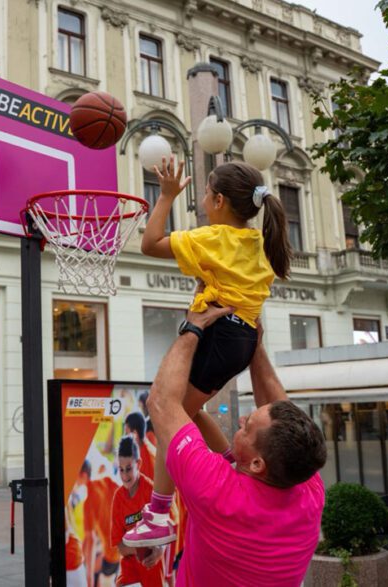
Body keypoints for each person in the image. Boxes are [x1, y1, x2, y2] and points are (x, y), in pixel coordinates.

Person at [127, 156, 292, 547]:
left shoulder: (212, 238)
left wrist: (166, 196)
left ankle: (158, 513)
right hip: (243, 337)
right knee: (192, 410)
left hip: (220, 334)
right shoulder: (257, 240)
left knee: (168, 415)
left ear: (219, 201)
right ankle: (229, 465)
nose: (201, 200)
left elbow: (149, 244)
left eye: (204, 194)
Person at [143, 306, 325, 586]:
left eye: (246, 427)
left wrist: (193, 327)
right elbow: (274, 402)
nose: (240, 420)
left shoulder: (217, 491)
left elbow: (161, 402)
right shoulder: (306, 485)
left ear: (256, 464)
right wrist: (256, 346)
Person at [110, 436, 164, 587]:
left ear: (138, 464)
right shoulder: (118, 498)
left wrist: (159, 550)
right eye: (121, 470)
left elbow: (166, 530)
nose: (125, 476)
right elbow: (120, 545)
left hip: (151, 567)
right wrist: (139, 548)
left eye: (129, 469)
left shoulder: (152, 491)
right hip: (130, 571)